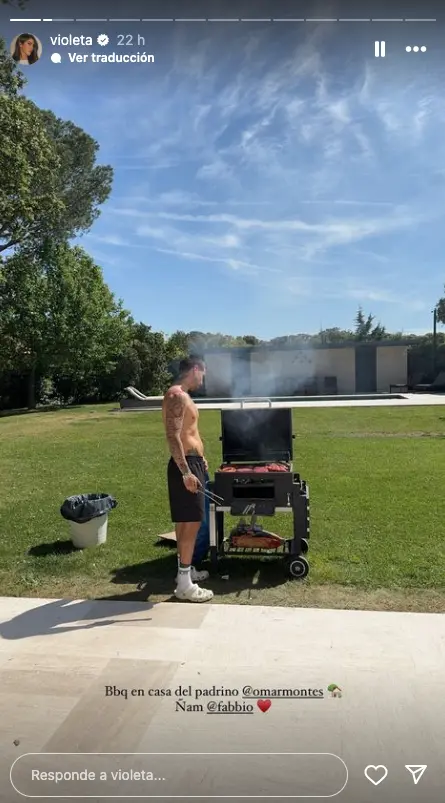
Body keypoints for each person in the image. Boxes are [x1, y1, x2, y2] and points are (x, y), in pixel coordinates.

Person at [162, 356, 213, 603]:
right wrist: (186, 472)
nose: (203, 379)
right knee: (190, 525)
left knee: (186, 523)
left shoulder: (185, 395)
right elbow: (173, 437)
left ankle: (185, 571)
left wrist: (199, 459)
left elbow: (189, 433)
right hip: (185, 468)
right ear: (195, 369)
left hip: (193, 464)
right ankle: (184, 586)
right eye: (203, 373)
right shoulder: (176, 395)